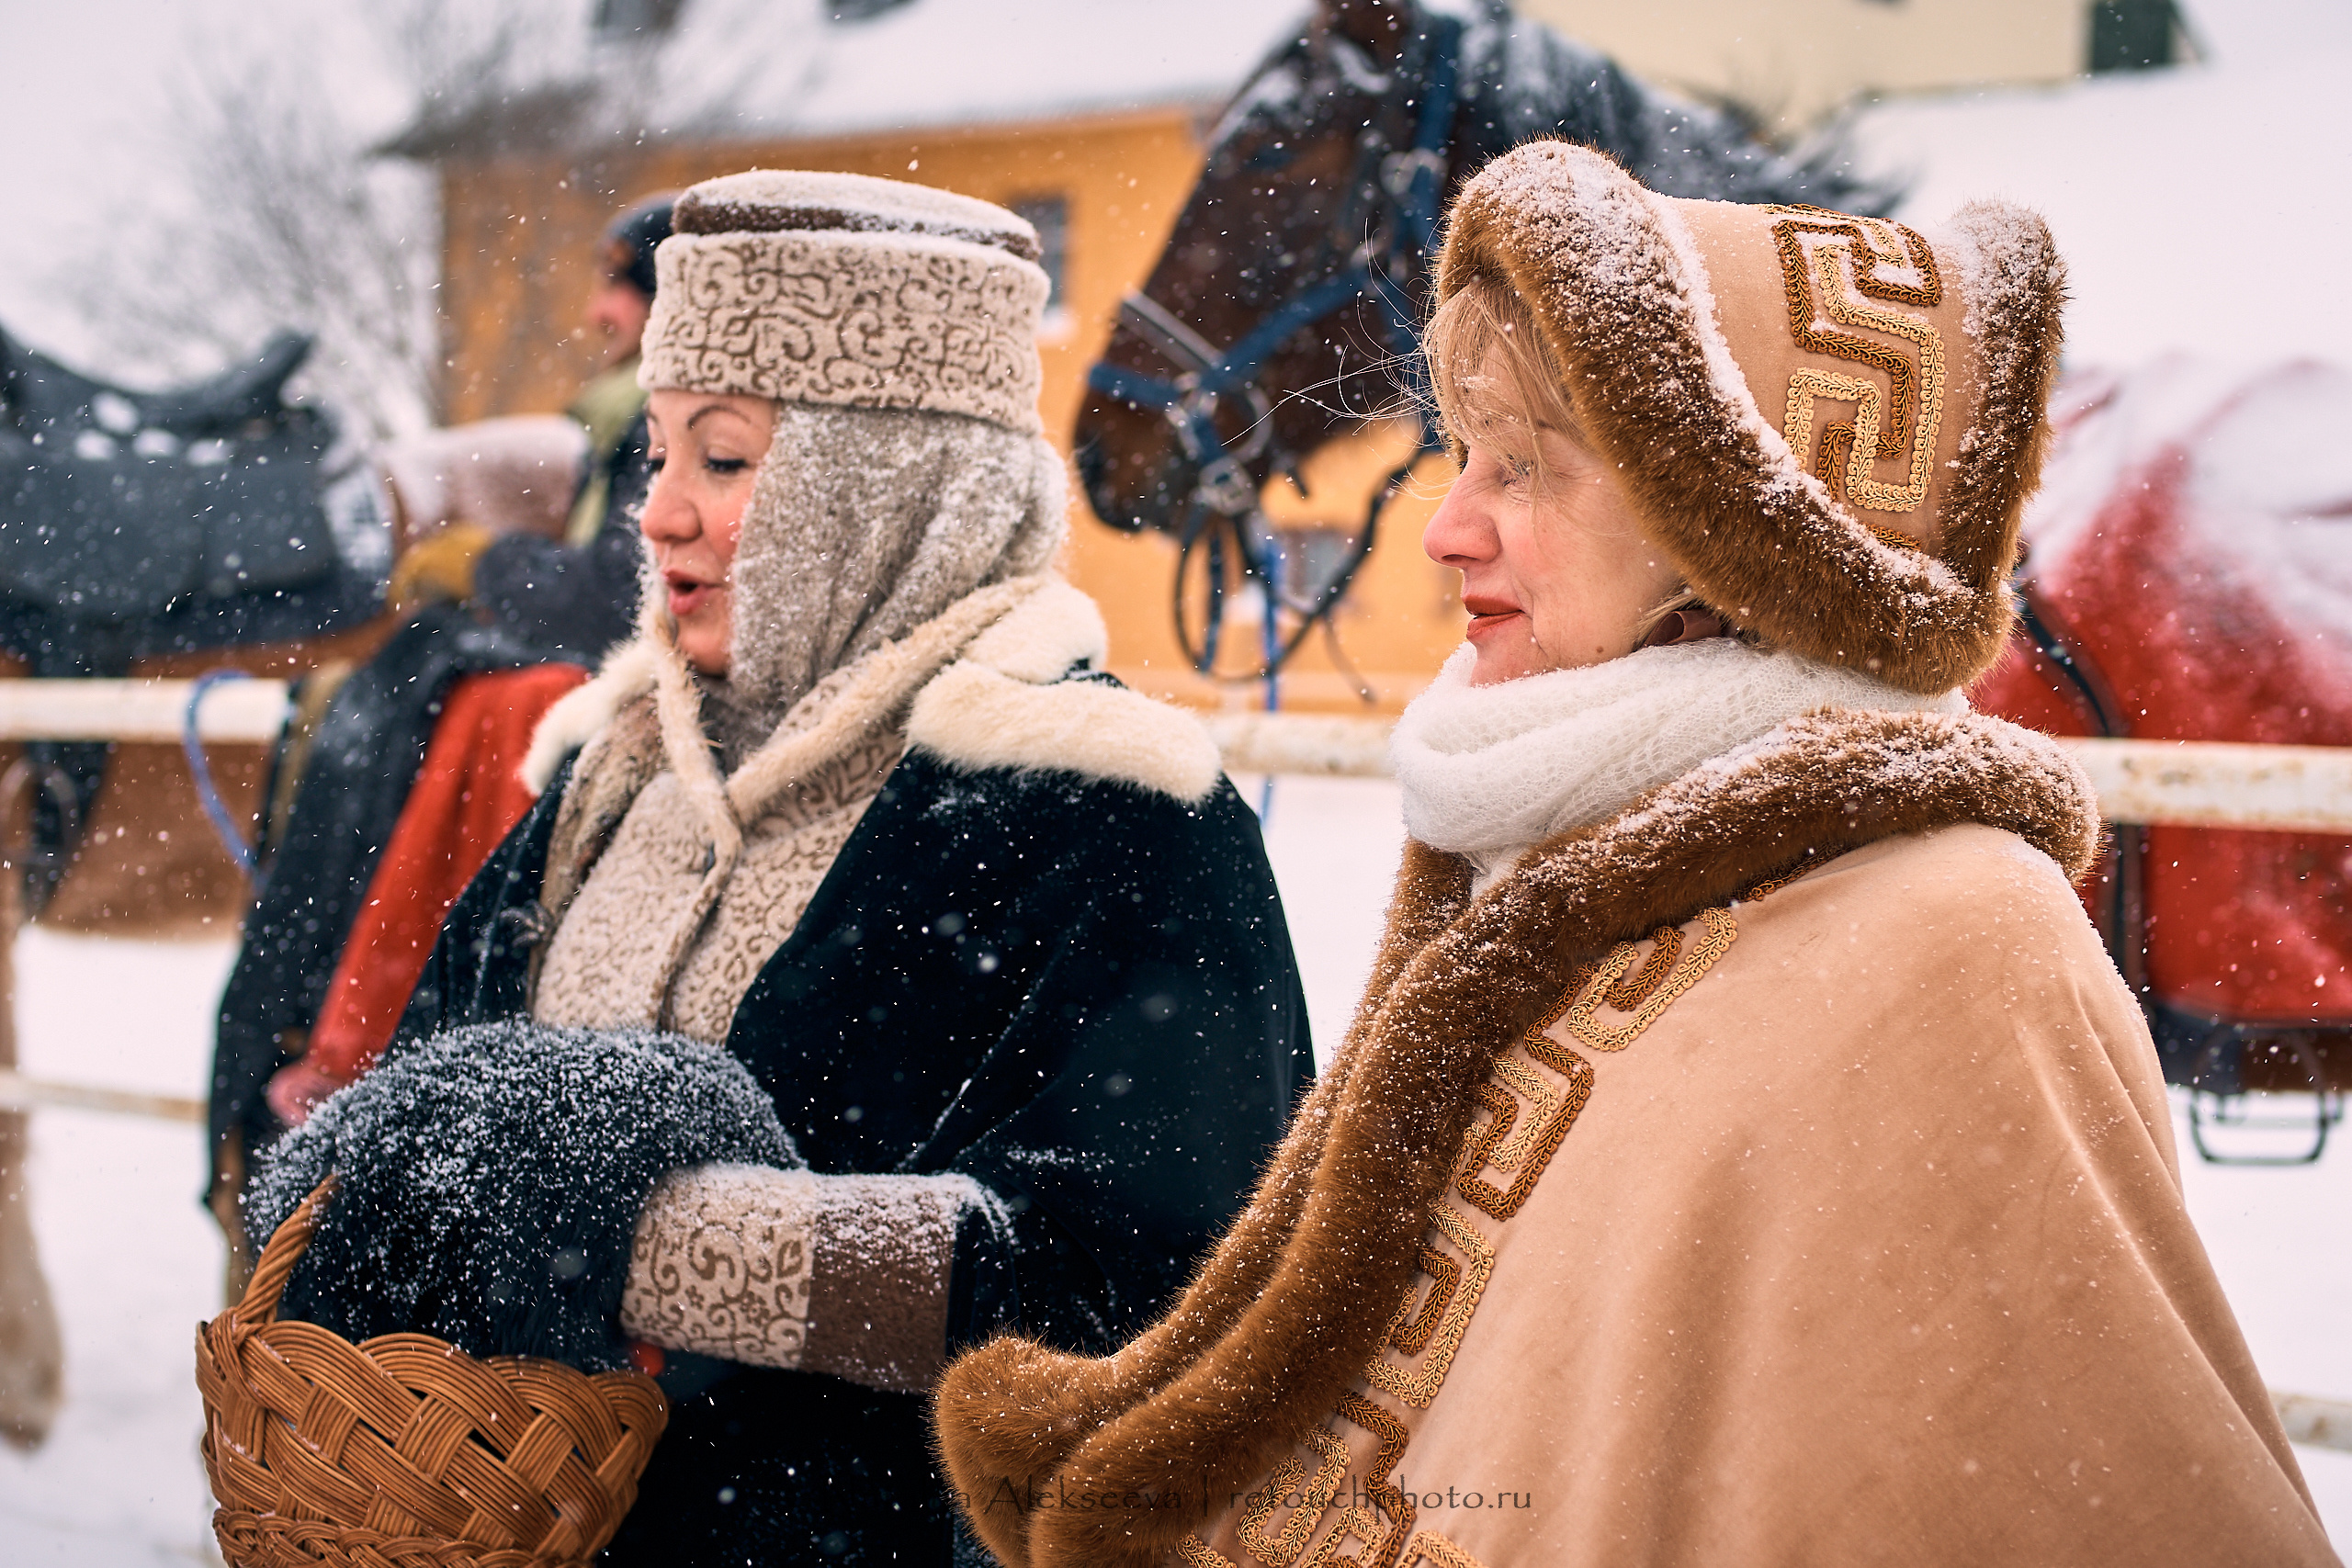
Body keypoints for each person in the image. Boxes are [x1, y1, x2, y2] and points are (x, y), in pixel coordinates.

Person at [933, 142, 2338, 1567]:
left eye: (1526, 470)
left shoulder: (1956, 942)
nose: (1444, 528)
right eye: (1461, 458)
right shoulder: (1546, 855)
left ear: (1736, 534)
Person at [333, 170, 1311, 1566]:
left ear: (886, 480)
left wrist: (631, 1234)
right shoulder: (610, 778)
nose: (658, 512)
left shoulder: (1114, 815)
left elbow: (1159, 1295)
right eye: (657, 454)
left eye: (723, 461)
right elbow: (412, 1118)